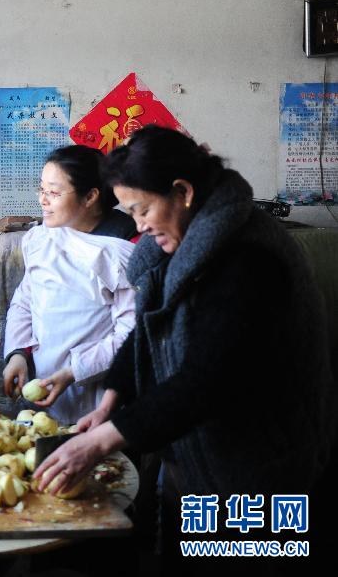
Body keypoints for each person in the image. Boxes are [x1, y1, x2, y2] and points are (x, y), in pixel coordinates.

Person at [34, 126, 335, 568]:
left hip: (258, 470)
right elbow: (147, 331)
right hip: (197, 461)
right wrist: (112, 403)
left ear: (182, 191)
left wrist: (99, 442)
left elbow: (207, 379)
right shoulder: (188, 243)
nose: (137, 225)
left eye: (142, 209)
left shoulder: (247, 257)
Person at [2, 145, 137, 425]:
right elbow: (25, 301)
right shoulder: (41, 239)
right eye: (41, 189)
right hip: (42, 389)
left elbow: (130, 334)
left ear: (90, 196)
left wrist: (76, 370)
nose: (42, 200)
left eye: (53, 192)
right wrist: (18, 354)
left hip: (98, 396)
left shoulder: (124, 248)